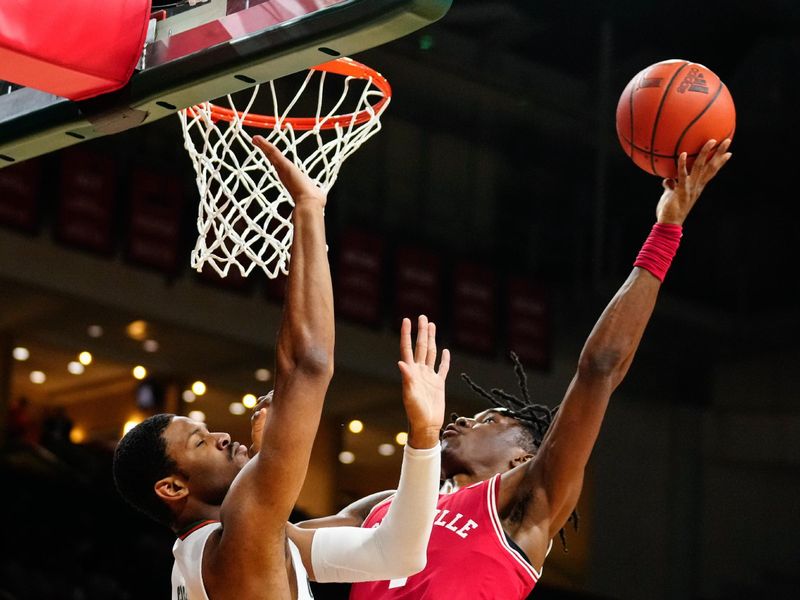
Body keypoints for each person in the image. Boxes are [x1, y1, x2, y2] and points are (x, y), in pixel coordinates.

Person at [340, 139, 732, 598]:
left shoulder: (524, 507)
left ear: (522, 459)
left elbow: (599, 368)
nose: (464, 418)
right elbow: (273, 539)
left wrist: (666, 231)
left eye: (490, 420)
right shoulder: (382, 507)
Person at [112, 137, 451, 600]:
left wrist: (427, 439)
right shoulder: (241, 533)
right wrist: (308, 208)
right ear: (172, 486)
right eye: (200, 441)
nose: (222, 436)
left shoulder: (232, 543)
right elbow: (309, 366)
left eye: (206, 431)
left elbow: (396, 552)